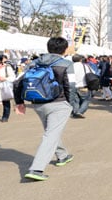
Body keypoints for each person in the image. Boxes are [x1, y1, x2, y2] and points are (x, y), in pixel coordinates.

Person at [14, 37, 75, 181]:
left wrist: (19, 102)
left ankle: (63, 155)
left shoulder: (33, 63)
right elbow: (70, 86)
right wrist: (71, 104)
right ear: (65, 49)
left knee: (51, 131)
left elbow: (17, 82)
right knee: (51, 134)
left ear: (48, 48)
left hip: (37, 102)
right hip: (59, 103)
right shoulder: (67, 64)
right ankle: (37, 169)